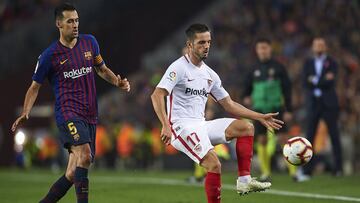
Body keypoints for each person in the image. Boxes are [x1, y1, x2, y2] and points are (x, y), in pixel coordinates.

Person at [11, 3, 130, 203]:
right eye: (70, 21)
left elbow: (101, 69)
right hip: (68, 114)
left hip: (90, 114)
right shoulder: (49, 55)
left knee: (73, 173)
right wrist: (26, 111)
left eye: (76, 20)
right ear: (59, 24)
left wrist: (117, 82)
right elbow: (34, 87)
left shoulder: (90, 42)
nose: (75, 25)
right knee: (84, 155)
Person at [151, 24, 283, 203]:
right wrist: (166, 125)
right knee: (214, 164)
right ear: (189, 45)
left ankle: (244, 181)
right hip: (180, 127)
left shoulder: (210, 74)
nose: (206, 46)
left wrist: (259, 116)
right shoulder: (179, 67)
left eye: (208, 42)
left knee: (245, 127)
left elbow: (229, 104)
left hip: (201, 124)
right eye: (201, 42)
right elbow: (157, 94)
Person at [243, 38, 297, 181]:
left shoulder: (279, 67)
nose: (263, 51)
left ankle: (293, 171)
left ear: (270, 49)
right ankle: (266, 172)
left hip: (277, 109)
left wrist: (289, 109)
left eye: (265, 48)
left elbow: (287, 89)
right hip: (259, 111)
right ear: (257, 50)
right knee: (261, 140)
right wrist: (246, 97)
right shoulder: (252, 68)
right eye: (260, 48)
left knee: (283, 139)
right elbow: (246, 88)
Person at [302, 37, 343, 177]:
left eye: (321, 45)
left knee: (334, 135)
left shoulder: (332, 62)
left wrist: (314, 80)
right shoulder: (308, 62)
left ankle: (338, 168)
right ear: (313, 48)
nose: (319, 47)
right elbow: (305, 81)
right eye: (316, 45)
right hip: (313, 102)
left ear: (325, 47)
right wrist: (323, 80)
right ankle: (307, 170)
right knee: (310, 136)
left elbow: (330, 81)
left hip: (329, 103)